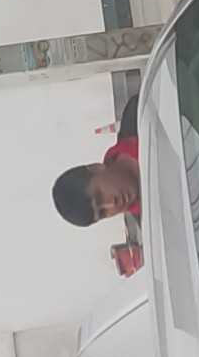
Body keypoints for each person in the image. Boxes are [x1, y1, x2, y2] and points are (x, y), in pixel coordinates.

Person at [52, 88, 143, 271]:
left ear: (96, 167)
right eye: (102, 213)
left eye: (100, 196)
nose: (112, 204)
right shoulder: (154, 223)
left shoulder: (138, 115)